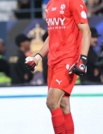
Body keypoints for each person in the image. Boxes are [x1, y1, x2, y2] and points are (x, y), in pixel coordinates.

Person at [25, 0, 91, 133]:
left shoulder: (73, 2)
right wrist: (38, 56)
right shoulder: (50, 5)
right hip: (53, 61)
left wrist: (82, 59)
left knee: (51, 101)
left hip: (69, 58)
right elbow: (52, 35)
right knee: (63, 104)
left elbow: (86, 31)